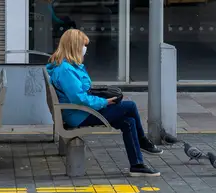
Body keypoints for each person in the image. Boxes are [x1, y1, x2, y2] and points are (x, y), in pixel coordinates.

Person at [46, 29, 162, 176]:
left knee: (128, 122)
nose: (85, 49)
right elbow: (78, 98)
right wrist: (104, 102)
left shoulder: (69, 66)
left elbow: (81, 92)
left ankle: (137, 165)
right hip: (79, 115)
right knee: (130, 106)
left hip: (79, 111)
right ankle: (143, 142)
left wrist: (102, 97)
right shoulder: (66, 70)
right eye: (83, 45)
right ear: (74, 46)